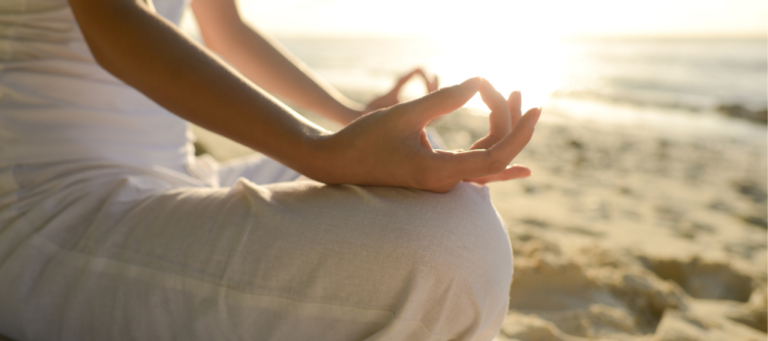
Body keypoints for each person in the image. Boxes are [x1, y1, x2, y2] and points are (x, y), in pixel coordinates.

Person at [0, 0, 542, 340]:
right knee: (449, 249)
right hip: (49, 206)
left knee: (426, 165)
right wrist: (318, 152)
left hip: (178, 174)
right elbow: (112, 20)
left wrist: (353, 121)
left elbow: (227, 30)